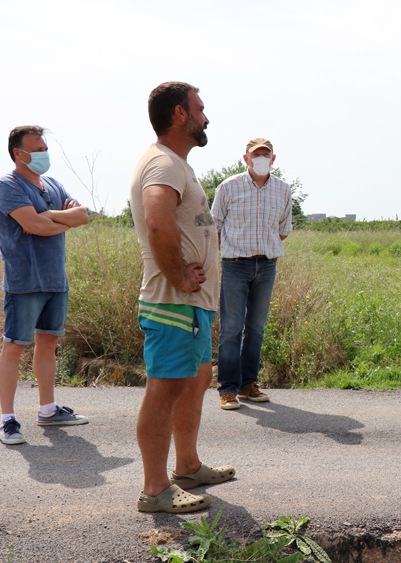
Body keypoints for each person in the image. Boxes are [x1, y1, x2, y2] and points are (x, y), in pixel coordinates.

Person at [130, 82, 235, 513]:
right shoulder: (163, 163)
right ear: (179, 114)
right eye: (200, 109)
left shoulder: (176, 164)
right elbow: (157, 220)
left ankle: (187, 466)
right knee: (166, 389)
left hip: (190, 304)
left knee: (193, 383)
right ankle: (155, 489)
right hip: (173, 302)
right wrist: (178, 276)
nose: (206, 117)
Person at [0, 125, 90, 446]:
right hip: (25, 281)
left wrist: (49, 217)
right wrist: (56, 218)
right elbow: (33, 225)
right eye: (37, 149)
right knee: (15, 346)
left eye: (45, 148)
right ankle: (7, 421)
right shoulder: (8, 185)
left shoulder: (51, 183)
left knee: (48, 343)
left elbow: (82, 216)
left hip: (55, 280)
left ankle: (47, 409)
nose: (44, 154)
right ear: (18, 153)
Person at [211, 138, 293, 410]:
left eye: (265, 154)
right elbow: (215, 227)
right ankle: (228, 388)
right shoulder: (228, 187)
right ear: (245, 159)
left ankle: (248, 385)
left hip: (267, 265)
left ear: (273, 158)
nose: (261, 158)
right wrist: (230, 252)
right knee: (231, 329)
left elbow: (283, 229)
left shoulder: (283, 190)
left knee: (256, 329)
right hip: (235, 264)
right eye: (255, 154)